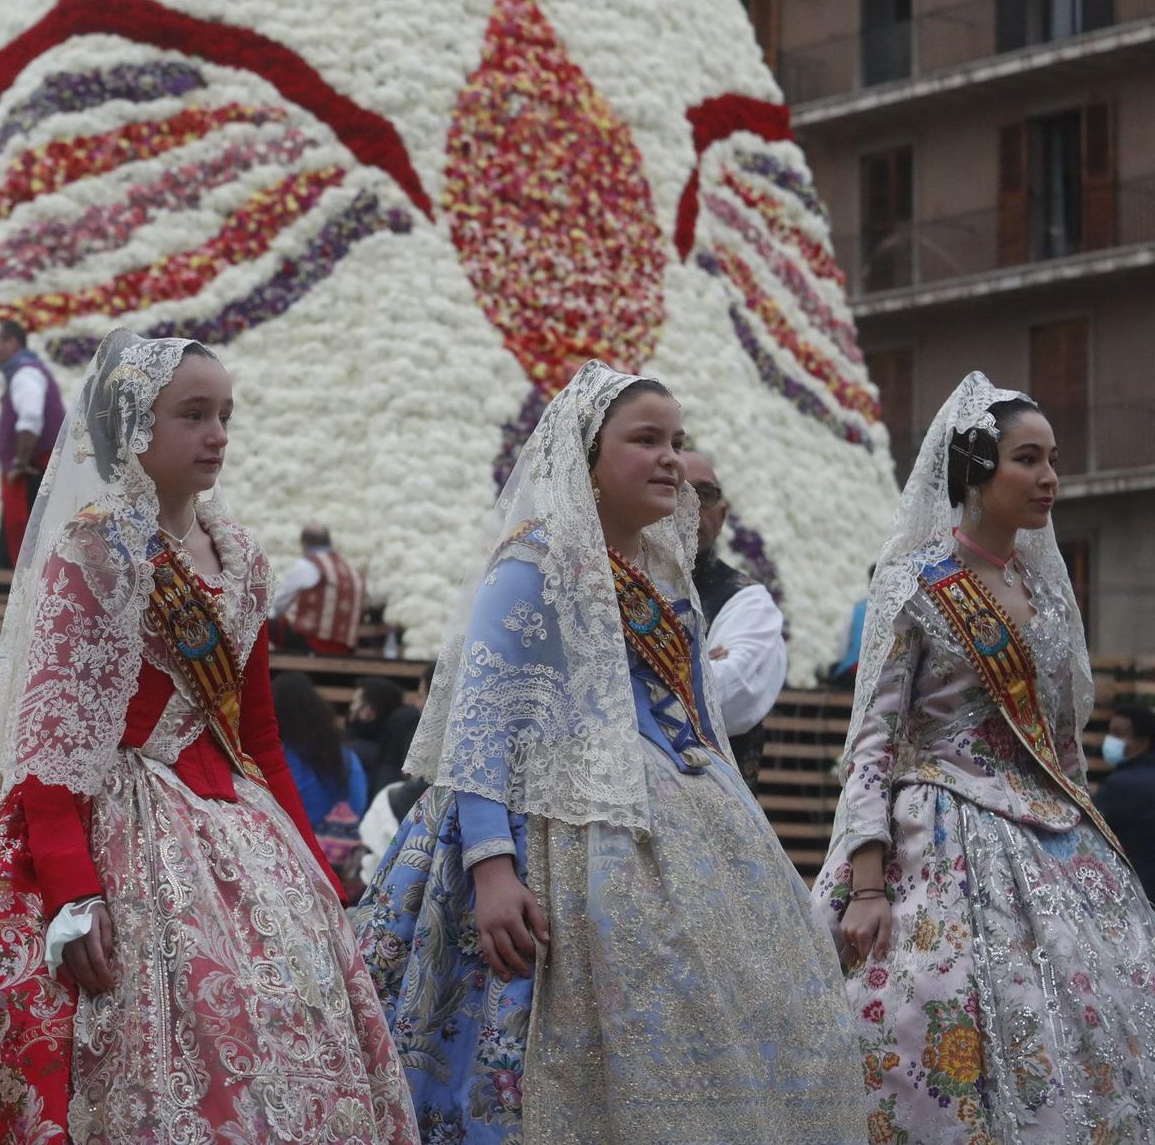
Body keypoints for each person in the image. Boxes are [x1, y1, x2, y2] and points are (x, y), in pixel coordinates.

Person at [0, 328, 413, 1142]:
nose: (218, 435)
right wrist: (70, 888)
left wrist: (315, 870)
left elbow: (258, 734)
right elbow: (50, 735)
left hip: (244, 835)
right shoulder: (96, 548)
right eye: (194, 414)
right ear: (133, 425)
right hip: (123, 833)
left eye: (225, 415)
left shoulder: (240, 557)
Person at [357, 361, 862, 1143]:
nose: (669, 458)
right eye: (645, 440)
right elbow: (482, 721)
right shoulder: (533, 564)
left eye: (677, 441)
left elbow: (692, 718)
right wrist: (492, 867)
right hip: (548, 832)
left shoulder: (664, 577)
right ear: (588, 460)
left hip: (677, 823)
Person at [813, 372, 1155, 1141]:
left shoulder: (1047, 590)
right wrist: (868, 882)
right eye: (1027, 459)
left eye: (1053, 459)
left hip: (1049, 839)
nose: (1049, 478)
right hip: (937, 833)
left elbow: (1059, 742)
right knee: (931, 1021)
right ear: (974, 471)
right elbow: (873, 738)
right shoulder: (917, 582)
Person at [682, 448, 787, 789]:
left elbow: (727, 698)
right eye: (676, 490)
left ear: (722, 514)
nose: (691, 506)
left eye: (704, 495)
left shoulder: (746, 601)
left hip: (717, 812)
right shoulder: (611, 585)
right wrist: (696, 665)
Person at [272, 671, 370, 884]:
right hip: (336, 865)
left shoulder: (276, 759)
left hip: (287, 862)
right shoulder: (345, 757)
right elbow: (358, 804)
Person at [0, 317, 64, 569]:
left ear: (12, 342)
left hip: (33, 477)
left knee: (21, 555)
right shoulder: (25, 371)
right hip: (36, 475)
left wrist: (20, 462)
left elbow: (31, 418)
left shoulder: (25, 373)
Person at [270, 522, 367, 654]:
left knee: (262, 621)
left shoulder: (307, 565)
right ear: (329, 541)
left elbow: (278, 603)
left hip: (309, 643)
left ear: (304, 545)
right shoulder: (351, 570)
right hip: (344, 647)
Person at [1097, 705, 1155, 896]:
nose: (1110, 741)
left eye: (1118, 734)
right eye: (1110, 733)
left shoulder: (1123, 785)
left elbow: (1091, 829)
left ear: (1143, 743)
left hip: (1137, 891)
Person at [346, 673, 421, 791]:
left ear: (368, 710)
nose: (351, 708)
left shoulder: (357, 751)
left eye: (355, 702)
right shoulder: (391, 743)